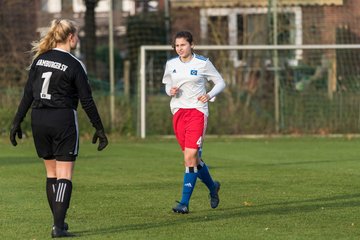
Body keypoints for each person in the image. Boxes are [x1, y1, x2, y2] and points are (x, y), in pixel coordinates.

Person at [9, 19, 108, 238]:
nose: (78, 39)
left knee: (51, 174)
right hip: (62, 119)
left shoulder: (40, 59)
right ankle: (58, 226)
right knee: (64, 175)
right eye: (77, 35)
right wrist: (99, 128)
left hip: (39, 118)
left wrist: (17, 122)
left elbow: (28, 93)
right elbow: (87, 100)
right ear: (71, 37)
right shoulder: (74, 64)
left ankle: (59, 224)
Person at [162, 31, 226, 213]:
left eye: (183, 45)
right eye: (177, 46)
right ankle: (213, 187)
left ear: (192, 44)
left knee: (189, 158)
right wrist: (170, 91)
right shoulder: (171, 64)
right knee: (194, 159)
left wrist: (209, 95)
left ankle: (183, 203)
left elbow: (220, 82)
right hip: (178, 112)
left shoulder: (203, 63)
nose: (180, 48)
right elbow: (167, 84)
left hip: (197, 112)